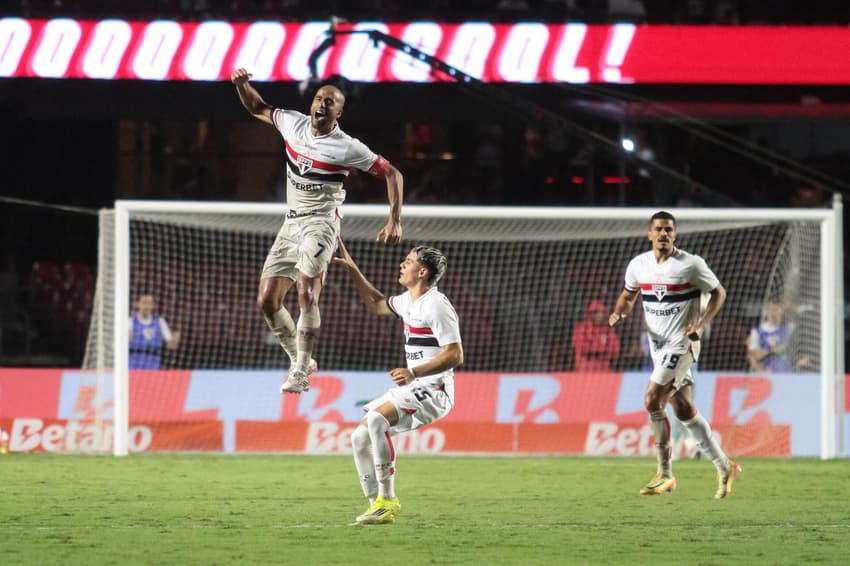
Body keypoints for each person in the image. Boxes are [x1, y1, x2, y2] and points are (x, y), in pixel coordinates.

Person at [231, 68, 404, 394]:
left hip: (321, 225)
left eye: (330, 102)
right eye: (319, 99)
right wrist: (243, 85)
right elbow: (257, 108)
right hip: (291, 223)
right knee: (267, 300)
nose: (322, 105)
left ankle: (299, 372)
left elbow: (392, 173)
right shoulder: (293, 123)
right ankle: (302, 359)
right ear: (312, 103)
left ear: (339, 112)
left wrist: (394, 219)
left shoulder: (348, 147)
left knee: (306, 292)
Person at [609, 211, 741, 499]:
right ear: (649, 233)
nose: (663, 234)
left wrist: (702, 325)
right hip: (658, 348)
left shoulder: (691, 264)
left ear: (675, 234)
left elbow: (719, 292)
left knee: (652, 399)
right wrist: (619, 311)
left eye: (668, 229)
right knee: (683, 409)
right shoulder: (638, 265)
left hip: (683, 344)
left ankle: (665, 474)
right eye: (658, 229)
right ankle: (724, 465)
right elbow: (629, 294)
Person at [334, 237, 463, 525]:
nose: (401, 264)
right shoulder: (408, 301)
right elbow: (377, 304)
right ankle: (375, 506)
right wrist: (354, 269)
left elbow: (455, 355)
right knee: (359, 437)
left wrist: (415, 372)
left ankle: (388, 500)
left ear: (423, 273)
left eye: (409, 261)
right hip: (416, 386)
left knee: (378, 422)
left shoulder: (437, 306)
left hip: (435, 390)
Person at [128, 294, 181, 369]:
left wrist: (175, 339)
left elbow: (171, 346)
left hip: (153, 366)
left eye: (149, 303)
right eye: (144, 303)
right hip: (133, 366)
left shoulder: (160, 322)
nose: (146, 306)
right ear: (138, 304)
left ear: (153, 306)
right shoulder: (130, 322)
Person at [572, 300, 621, 371]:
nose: (599, 316)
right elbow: (583, 349)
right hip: (584, 369)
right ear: (590, 314)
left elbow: (615, 350)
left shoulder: (607, 330)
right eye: (596, 313)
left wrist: (600, 349)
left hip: (604, 369)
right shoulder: (581, 329)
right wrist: (602, 349)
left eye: (601, 313)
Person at [747, 302, 794, 372]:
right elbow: (753, 355)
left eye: (775, 309)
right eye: (769, 310)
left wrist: (766, 351)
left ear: (781, 311)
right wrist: (761, 370)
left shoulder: (788, 329)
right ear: (765, 312)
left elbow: (784, 348)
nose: (772, 313)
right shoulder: (757, 331)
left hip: (786, 368)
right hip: (766, 369)